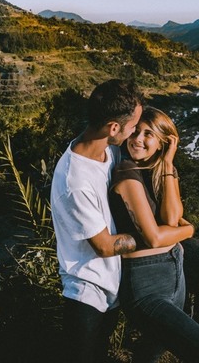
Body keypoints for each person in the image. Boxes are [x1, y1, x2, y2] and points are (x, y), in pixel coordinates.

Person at [109, 106, 199, 363]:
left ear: (162, 143)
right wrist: (189, 230)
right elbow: (156, 237)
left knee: (150, 354)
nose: (138, 139)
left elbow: (171, 218)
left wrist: (168, 163)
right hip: (145, 283)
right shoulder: (126, 172)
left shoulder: (156, 170)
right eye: (136, 132)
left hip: (175, 271)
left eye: (148, 134)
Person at [50, 78, 144, 363]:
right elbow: (103, 245)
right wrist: (152, 236)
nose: (134, 133)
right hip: (86, 294)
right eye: (132, 127)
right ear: (113, 127)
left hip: (108, 287)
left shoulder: (109, 153)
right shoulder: (74, 180)